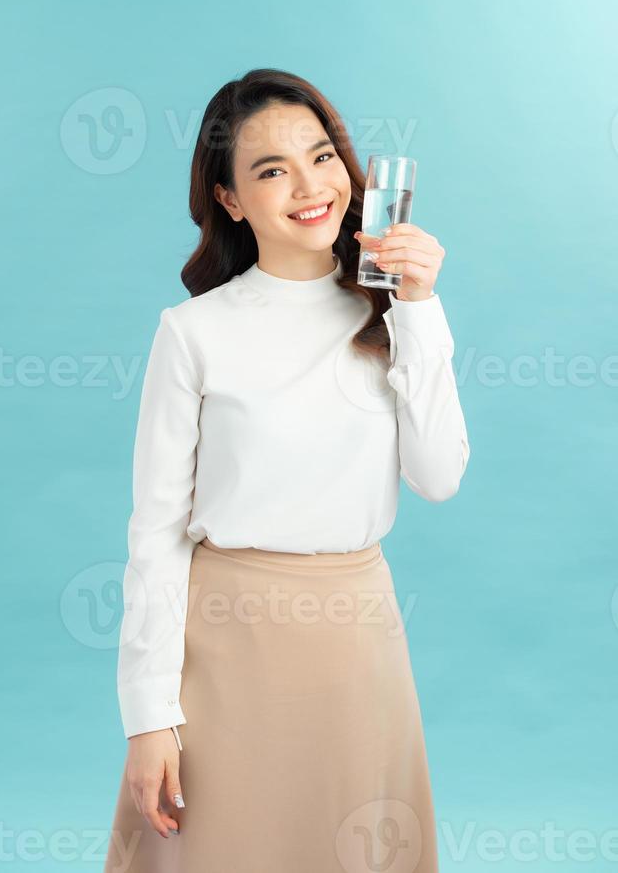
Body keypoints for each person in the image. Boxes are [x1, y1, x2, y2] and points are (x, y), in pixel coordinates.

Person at [104, 68, 470, 873]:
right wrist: (147, 716)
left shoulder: (390, 309)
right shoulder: (193, 332)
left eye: (322, 156)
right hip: (224, 649)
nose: (311, 187)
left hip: (357, 639)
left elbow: (439, 476)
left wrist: (420, 305)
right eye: (272, 170)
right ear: (231, 199)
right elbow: (156, 533)